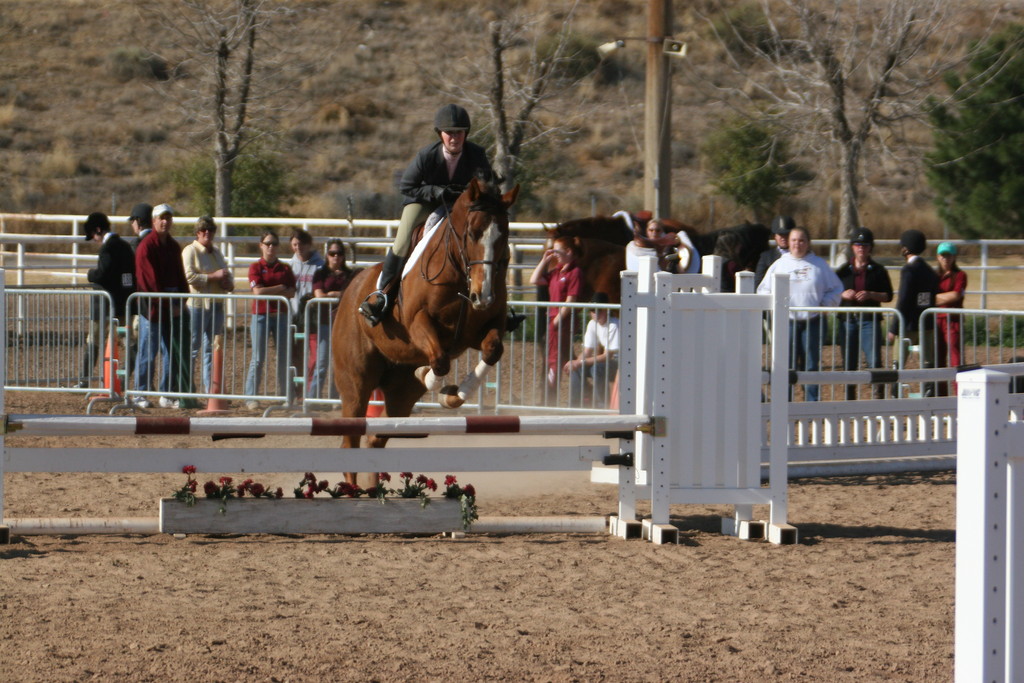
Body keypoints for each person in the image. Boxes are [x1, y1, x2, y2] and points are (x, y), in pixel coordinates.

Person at [358, 103, 494, 326]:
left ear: (465, 134)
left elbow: (485, 185)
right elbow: (407, 186)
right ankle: (381, 295)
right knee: (402, 241)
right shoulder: (427, 155)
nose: (454, 138)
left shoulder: (476, 154)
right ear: (440, 134)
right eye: (449, 133)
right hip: (424, 203)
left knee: (486, 241)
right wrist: (436, 191)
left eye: (459, 132)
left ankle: (499, 308)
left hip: (460, 205)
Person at [757, 226, 843, 401]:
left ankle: (812, 404)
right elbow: (763, 290)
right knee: (785, 364)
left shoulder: (819, 265)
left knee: (811, 365)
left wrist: (824, 304)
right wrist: (775, 306)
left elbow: (836, 288)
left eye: (802, 240)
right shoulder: (779, 264)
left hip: (813, 321)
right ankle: (784, 403)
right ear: (788, 243)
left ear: (808, 243)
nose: (798, 244)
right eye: (794, 240)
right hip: (786, 322)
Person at [134, 204, 196, 409]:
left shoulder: (173, 246)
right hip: (152, 310)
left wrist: (182, 300)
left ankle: (166, 392)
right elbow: (149, 282)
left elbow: (180, 276)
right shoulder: (146, 247)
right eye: (161, 218)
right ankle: (139, 392)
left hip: (172, 308)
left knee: (171, 352)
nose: (165, 222)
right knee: (147, 352)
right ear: (153, 221)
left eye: (168, 218)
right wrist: (170, 304)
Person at [835, 227, 893, 399]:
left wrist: (871, 294)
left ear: (870, 248)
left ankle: (877, 399)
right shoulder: (843, 271)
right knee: (848, 362)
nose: (861, 248)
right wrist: (842, 295)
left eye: (865, 245)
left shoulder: (879, 270)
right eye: (858, 245)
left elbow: (888, 295)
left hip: (870, 320)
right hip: (847, 320)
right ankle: (849, 400)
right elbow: (831, 294)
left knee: (874, 361)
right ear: (852, 247)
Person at [80, 212, 135, 388]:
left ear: (98, 230)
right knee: (127, 342)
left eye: (94, 236)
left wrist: (90, 274)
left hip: (105, 304)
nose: (95, 240)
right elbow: (129, 276)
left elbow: (103, 274)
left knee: (94, 339)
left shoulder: (107, 248)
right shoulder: (125, 246)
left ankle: (84, 380)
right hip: (123, 303)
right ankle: (122, 379)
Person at [181, 216, 234, 394]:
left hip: (217, 303)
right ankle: (186, 386)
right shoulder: (190, 251)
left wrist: (228, 282)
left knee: (212, 347)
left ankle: (210, 389)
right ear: (197, 232)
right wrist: (214, 277)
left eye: (210, 230)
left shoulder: (217, 252)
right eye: (203, 230)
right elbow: (190, 277)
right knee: (193, 346)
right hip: (197, 304)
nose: (207, 233)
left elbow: (226, 274)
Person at [244, 229, 296, 410]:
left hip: (280, 316)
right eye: (267, 243)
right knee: (258, 357)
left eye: (274, 243)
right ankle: (251, 396)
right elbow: (257, 292)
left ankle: (285, 394)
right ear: (261, 246)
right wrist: (280, 287)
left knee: (283, 357)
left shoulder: (285, 268)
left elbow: (292, 292)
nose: (271, 247)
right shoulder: (255, 267)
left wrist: (272, 289)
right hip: (261, 316)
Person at [888, 229, 940, 397]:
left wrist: (894, 328)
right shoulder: (930, 271)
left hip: (908, 324)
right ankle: (928, 396)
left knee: (898, 363)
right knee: (928, 362)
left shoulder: (908, 271)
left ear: (906, 249)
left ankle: (895, 397)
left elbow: (903, 300)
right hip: (926, 324)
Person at [530, 235, 583, 394]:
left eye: (556, 250)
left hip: (561, 321)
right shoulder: (556, 272)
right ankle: (583, 392)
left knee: (555, 358)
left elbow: (570, 300)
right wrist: (545, 260)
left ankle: (550, 395)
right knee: (562, 357)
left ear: (568, 251)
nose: (554, 253)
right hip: (553, 318)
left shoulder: (575, 272)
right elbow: (534, 279)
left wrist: (557, 321)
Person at [309, 239, 358, 399]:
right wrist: (340, 295)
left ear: (343, 256)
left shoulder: (350, 275)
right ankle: (313, 397)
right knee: (322, 362)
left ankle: (336, 397)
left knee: (341, 364)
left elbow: (352, 295)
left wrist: (333, 294)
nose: (336, 257)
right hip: (325, 322)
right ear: (327, 255)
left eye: (339, 253)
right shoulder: (320, 273)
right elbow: (319, 295)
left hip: (344, 324)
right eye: (332, 253)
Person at [564, 292, 619, 408]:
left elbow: (607, 356)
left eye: (599, 310)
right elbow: (586, 351)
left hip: (622, 364)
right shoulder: (592, 324)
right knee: (576, 368)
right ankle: (575, 405)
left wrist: (579, 362)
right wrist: (576, 363)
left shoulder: (614, 325)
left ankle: (602, 405)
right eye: (593, 311)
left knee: (596, 368)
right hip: (611, 362)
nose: (596, 314)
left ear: (607, 310)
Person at [935, 241, 967, 396]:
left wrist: (934, 299)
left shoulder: (960, 275)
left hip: (953, 321)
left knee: (956, 359)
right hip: (937, 320)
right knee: (938, 359)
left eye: (948, 255)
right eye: (943, 255)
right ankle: (941, 397)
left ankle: (959, 394)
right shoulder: (934, 276)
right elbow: (951, 296)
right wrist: (946, 298)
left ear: (954, 257)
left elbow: (955, 295)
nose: (945, 259)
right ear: (938, 257)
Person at [754, 215, 794, 288]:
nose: (783, 238)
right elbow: (758, 283)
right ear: (775, 236)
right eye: (780, 234)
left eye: (787, 234)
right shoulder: (766, 257)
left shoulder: (801, 256)